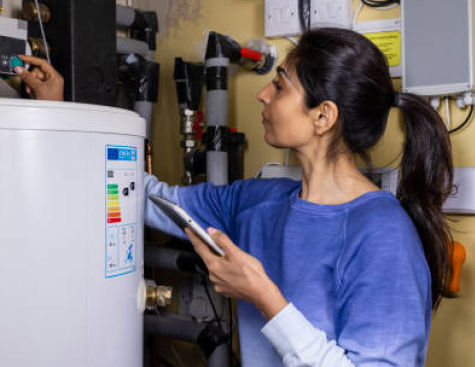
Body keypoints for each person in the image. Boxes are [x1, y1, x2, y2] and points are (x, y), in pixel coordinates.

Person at [20, 28, 454, 367]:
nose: (263, 93)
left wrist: (265, 297)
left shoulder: (383, 236)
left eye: (280, 86)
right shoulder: (257, 201)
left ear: (323, 116)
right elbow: (146, 198)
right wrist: (63, 115)